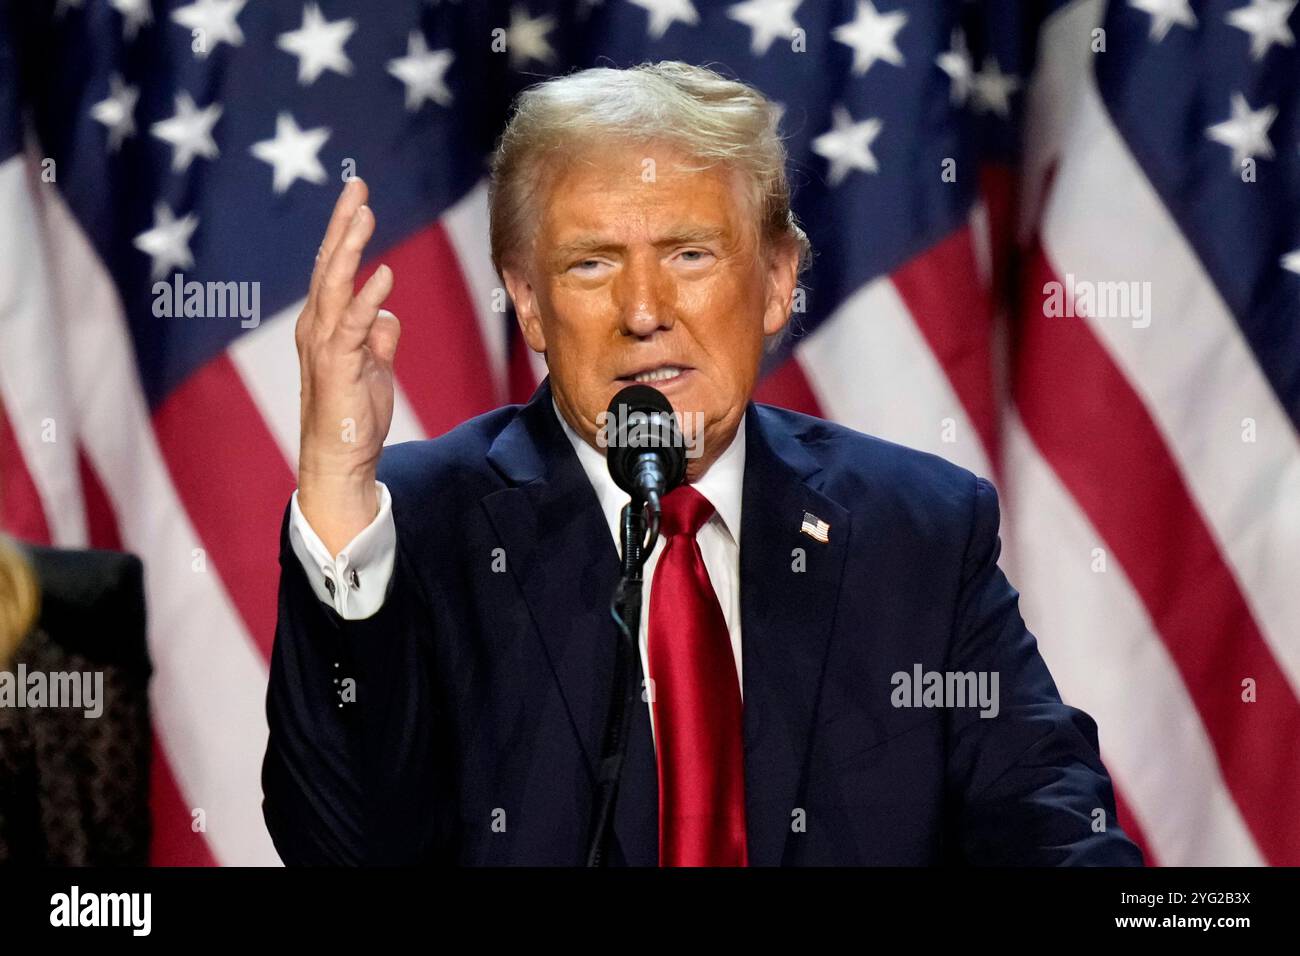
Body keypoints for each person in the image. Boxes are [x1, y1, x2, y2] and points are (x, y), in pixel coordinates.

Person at [262, 61, 1143, 867]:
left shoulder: (917, 531)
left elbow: (1048, 824)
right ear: (528, 304)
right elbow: (343, 848)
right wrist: (338, 489)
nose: (644, 311)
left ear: (773, 281)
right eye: (591, 263)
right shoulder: (420, 530)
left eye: (689, 254)